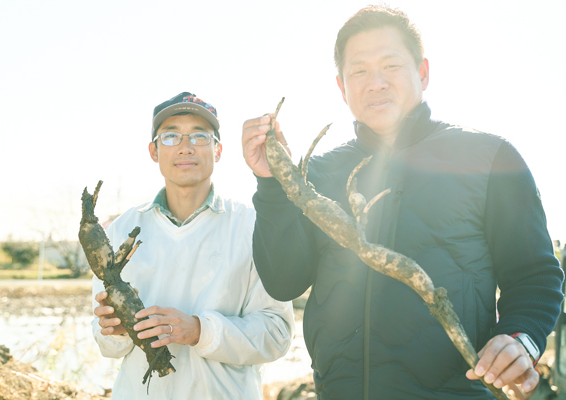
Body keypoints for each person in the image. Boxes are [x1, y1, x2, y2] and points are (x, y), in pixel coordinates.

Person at [241, 6, 563, 400]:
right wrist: (273, 184)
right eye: (358, 71)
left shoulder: (490, 158)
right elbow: (283, 280)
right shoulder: (319, 175)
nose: (375, 83)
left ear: (423, 72)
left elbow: (535, 277)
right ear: (342, 87)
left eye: (390, 65)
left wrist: (520, 338)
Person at [92, 92, 294, 399]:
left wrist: (200, 330)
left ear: (218, 150)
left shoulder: (253, 227)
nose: (186, 147)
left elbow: (276, 333)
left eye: (200, 136)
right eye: (171, 136)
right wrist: (115, 332)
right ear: (154, 151)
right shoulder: (121, 230)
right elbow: (104, 341)